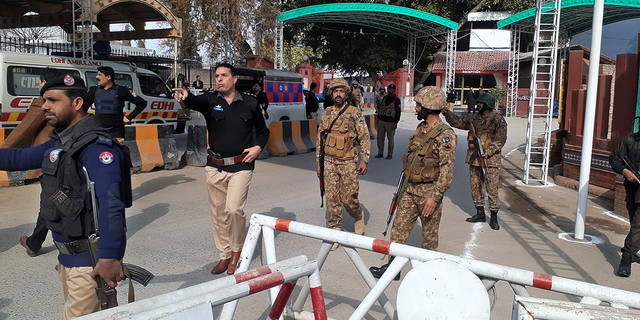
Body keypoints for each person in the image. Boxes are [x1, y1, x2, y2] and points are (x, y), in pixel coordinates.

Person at [0, 74, 131, 319]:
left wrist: (110, 257)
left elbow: (111, 204)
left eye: (52, 100)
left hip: (89, 264)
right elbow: (16, 159)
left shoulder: (96, 147)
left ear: (77, 103)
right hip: (67, 261)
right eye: (44, 100)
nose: (45, 106)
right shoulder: (61, 143)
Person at [172, 63, 269, 275]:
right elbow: (194, 100)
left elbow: (263, 131)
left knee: (233, 210)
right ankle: (224, 254)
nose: (219, 79)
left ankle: (236, 251)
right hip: (215, 167)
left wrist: (258, 147)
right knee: (218, 214)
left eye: (224, 75)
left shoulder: (250, 104)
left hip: (241, 165)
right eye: (217, 76)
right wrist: (185, 94)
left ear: (234, 79)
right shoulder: (210, 101)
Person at [369, 86, 457, 280]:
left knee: (429, 238)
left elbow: (446, 173)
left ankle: (429, 275)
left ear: (429, 106)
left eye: (419, 105)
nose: (416, 108)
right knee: (398, 230)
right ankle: (393, 269)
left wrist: (434, 198)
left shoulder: (445, 136)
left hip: (429, 193)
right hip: (410, 190)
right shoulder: (421, 128)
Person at [5, 68, 65, 257]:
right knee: (55, 200)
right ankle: (35, 242)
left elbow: (22, 131)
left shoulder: (42, 102)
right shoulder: (69, 100)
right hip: (62, 157)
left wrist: (3, 150)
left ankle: (35, 243)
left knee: (50, 202)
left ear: (43, 82)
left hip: (46, 158)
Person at [316, 78, 371, 251]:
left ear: (346, 94)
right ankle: (335, 231)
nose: (338, 94)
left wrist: (365, 159)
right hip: (329, 161)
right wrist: (319, 162)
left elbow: (364, 136)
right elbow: (320, 139)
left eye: (341, 91)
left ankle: (357, 214)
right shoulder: (327, 113)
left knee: (348, 197)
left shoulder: (355, 112)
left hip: (348, 161)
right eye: (335, 91)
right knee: (332, 197)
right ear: (331, 94)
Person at [442, 93, 507, 230]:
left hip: (491, 161)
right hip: (474, 158)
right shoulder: (473, 118)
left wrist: (488, 152)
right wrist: (446, 112)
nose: (478, 105)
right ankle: (480, 213)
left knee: (491, 189)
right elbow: (457, 121)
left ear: (488, 105)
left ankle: (494, 217)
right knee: (475, 187)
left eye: (481, 103)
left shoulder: (498, 120)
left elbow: (500, 139)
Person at [83, 66, 148, 140]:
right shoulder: (94, 90)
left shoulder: (121, 91)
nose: (96, 77)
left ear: (108, 77)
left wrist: (128, 118)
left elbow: (142, 103)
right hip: (99, 133)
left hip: (116, 134)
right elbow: (84, 106)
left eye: (100, 75)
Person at [609, 134, 640, 277]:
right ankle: (633, 252)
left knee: (638, 225)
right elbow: (614, 158)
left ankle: (627, 258)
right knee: (635, 222)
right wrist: (624, 171)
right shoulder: (630, 141)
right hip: (633, 189)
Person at [374, 84, 401, 160]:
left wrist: (396, 122)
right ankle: (380, 152)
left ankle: (389, 154)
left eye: (391, 89)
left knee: (390, 138)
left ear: (394, 90)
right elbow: (381, 107)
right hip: (382, 120)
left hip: (391, 122)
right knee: (380, 138)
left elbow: (398, 112)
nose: (389, 90)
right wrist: (378, 118)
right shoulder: (385, 98)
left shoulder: (396, 100)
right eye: (388, 89)